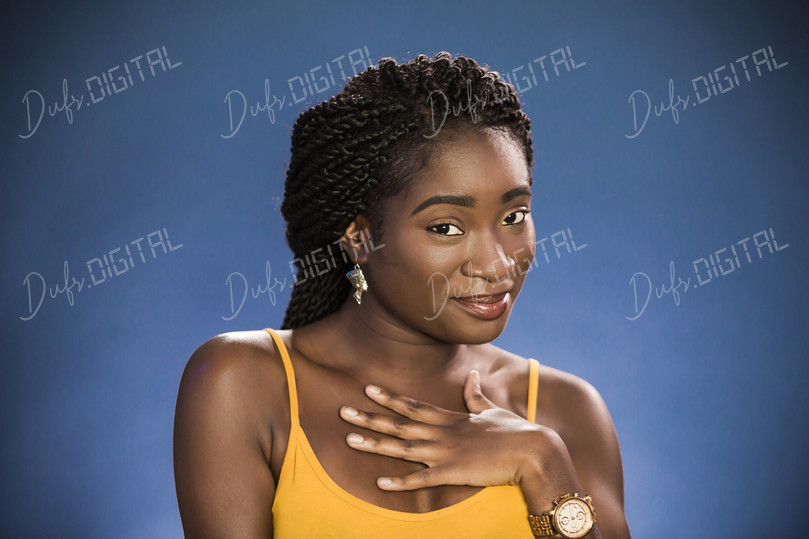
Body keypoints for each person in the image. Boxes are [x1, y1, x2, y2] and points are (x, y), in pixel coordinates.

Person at [173, 51, 631, 538]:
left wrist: (544, 464)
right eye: (446, 227)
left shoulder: (565, 411)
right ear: (359, 238)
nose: (498, 262)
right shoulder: (243, 385)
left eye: (514, 216)